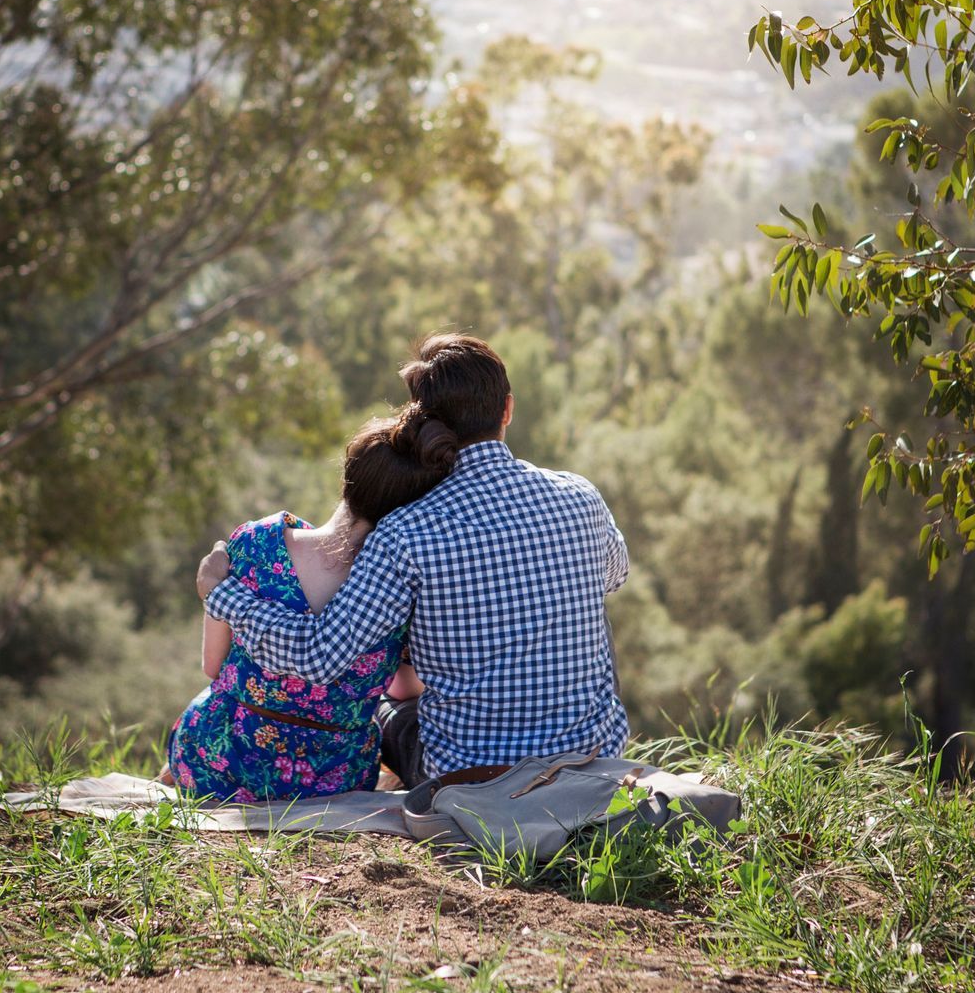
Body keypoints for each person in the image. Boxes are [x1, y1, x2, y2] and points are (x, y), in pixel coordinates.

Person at [197, 333, 630, 788]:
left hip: (468, 782)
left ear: (424, 422)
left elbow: (319, 656)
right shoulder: (581, 495)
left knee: (389, 709)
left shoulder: (405, 531)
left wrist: (222, 595)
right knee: (594, 608)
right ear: (507, 409)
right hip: (592, 766)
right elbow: (613, 574)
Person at [164, 409, 452, 801]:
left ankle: (174, 770)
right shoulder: (399, 584)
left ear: (349, 475)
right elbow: (405, 689)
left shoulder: (255, 543)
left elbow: (213, 667)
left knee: (204, 708)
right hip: (333, 781)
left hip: (223, 765)